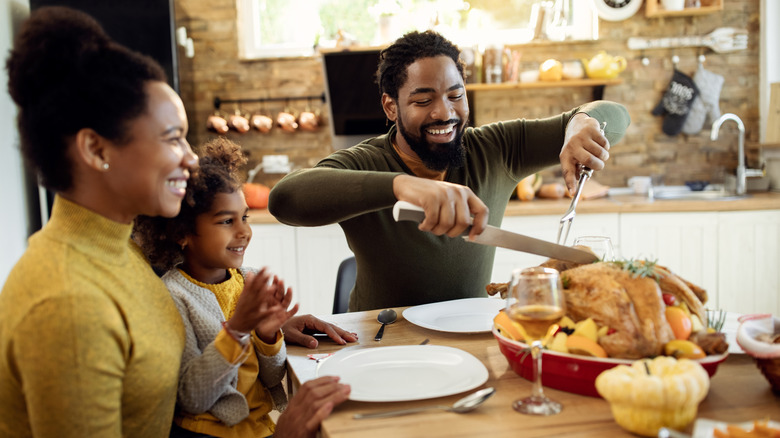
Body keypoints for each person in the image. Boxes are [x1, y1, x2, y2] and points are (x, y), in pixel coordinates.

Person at [0, 7, 349, 438]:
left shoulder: (122, 249)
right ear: (96, 149)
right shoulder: (68, 304)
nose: (189, 157)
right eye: (171, 138)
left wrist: (271, 331)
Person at [269, 30, 631, 312]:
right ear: (391, 107)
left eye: (456, 95)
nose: (444, 113)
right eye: (423, 100)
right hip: (381, 341)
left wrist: (581, 122)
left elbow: (616, 115)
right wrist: (403, 187)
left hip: (473, 338)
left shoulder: (498, 148)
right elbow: (285, 199)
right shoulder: (366, 162)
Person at [133, 138, 349, 438]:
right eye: (226, 221)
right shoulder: (173, 297)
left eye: (244, 217)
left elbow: (271, 377)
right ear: (182, 233)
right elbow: (193, 398)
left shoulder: (246, 279)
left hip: (257, 426)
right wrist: (236, 330)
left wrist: (268, 335)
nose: (244, 231)